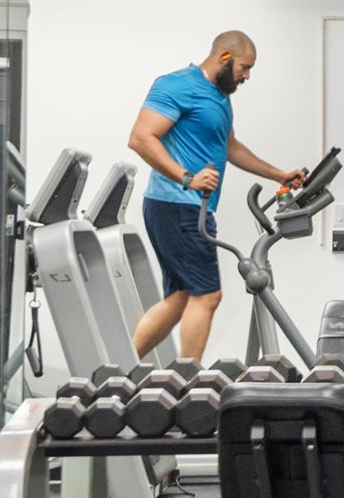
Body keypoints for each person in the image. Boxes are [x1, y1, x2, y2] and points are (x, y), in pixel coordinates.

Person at [128, 31, 304, 363]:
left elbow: (230, 147)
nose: (247, 76)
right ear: (224, 57)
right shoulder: (176, 85)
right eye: (245, 67)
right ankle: (187, 382)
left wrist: (278, 174)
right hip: (177, 204)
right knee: (207, 295)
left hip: (186, 207)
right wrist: (187, 178)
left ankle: (121, 369)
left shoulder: (221, 97)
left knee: (182, 296)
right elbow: (140, 138)